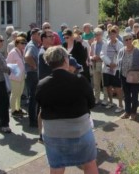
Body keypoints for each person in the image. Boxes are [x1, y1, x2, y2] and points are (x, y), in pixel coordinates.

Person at [35, 46, 98, 174]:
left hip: (53, 134)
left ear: (49, 63)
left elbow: (41, 107)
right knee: (90, 164)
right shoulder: (80, 81)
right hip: (80, 131)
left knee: (56, 168)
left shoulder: (42, 84)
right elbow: (91, 104)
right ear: (65, 60)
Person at [117, 33, 139, 120]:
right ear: (124, 41)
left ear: (132, 40)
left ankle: (133, 112)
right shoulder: (121, 50)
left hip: (134, 77)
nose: (128, 41)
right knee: (126, 95)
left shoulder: (138, 52)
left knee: (134, 95)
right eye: (126, 39)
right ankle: (127, 111)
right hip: (124, 76)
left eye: (129, 39)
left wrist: (136, 72)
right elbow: (118, 62)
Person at [100, 27, 124, 112]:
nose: (112, 35)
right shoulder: (105, 44)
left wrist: (115, 64)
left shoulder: (120, 44)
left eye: (114, 33)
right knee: (108, 87)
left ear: (116, 34)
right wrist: (110, 63)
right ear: (109, 34)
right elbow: (102, 54)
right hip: (107, 68)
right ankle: (111, 102)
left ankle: (120, 105)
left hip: (116, 69)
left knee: (117, 88)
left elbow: (121, 55)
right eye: (110, 33)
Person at [6, 37, 27, 118]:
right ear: (17, 43)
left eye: (25, 43)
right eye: (22, 43)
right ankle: (13, 110)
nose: (24, 45)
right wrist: (15, 71)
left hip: (21, 76)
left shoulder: (22, 51)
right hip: (15, 76)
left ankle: (18, 108)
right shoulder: (13, 52)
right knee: (14, 93)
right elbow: (7, 63)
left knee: (19, 93)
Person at [24, 28, 41, 127]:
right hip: (32, 74)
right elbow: (27, 57)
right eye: (39, 34)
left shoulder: (35, 45)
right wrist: (34, 66)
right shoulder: (31, 45)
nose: (40, 36)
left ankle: (33, 119)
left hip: (32, 74)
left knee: (33, 97)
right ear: (33, 35)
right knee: (33, 98)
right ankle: (33, 121)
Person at [90, 28, 108, 105]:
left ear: (101, 35)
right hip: (95, 64)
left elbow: (106, 55)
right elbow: (90, 55)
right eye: (95, 35)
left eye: (98, 34)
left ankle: (105, 99)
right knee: (96, 83)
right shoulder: (93, 44)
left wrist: (99, 57)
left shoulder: (105, 43)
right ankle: (97, 98)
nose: (97, 36)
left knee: (104, 83)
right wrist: (92, 57)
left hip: (102, 64)